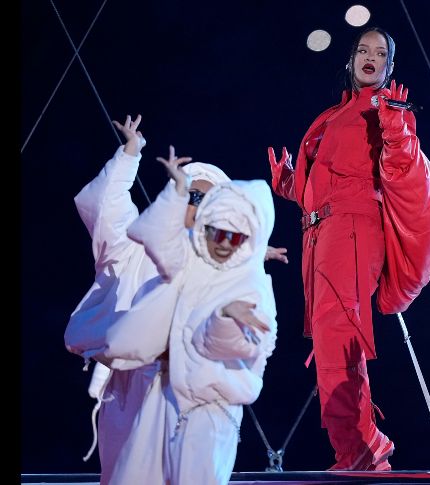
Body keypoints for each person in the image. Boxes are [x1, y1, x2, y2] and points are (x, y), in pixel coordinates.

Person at [267, 26, 430, 470]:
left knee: (338, 337)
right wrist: (291, 185)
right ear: (351, 59)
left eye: (380, 53)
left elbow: (401, 163)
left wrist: (395, 124)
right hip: (320, 237)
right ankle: (357, 449)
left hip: (354, 231)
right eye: (363, 50)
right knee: (331, 339)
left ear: (390, 67)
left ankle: (362, 450)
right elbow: (326, 182)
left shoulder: (385, 110)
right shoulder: (333, 115)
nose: (370, 57)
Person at [64, 115, 285, 484]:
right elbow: (105, 209)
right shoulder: (137, 248)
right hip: (133, 389)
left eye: (208, 199)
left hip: (196, 401)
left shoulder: (231, 274)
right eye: (192, 195)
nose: (198, 205)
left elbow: (246, 345)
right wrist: (130, 154)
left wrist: (245, 251)